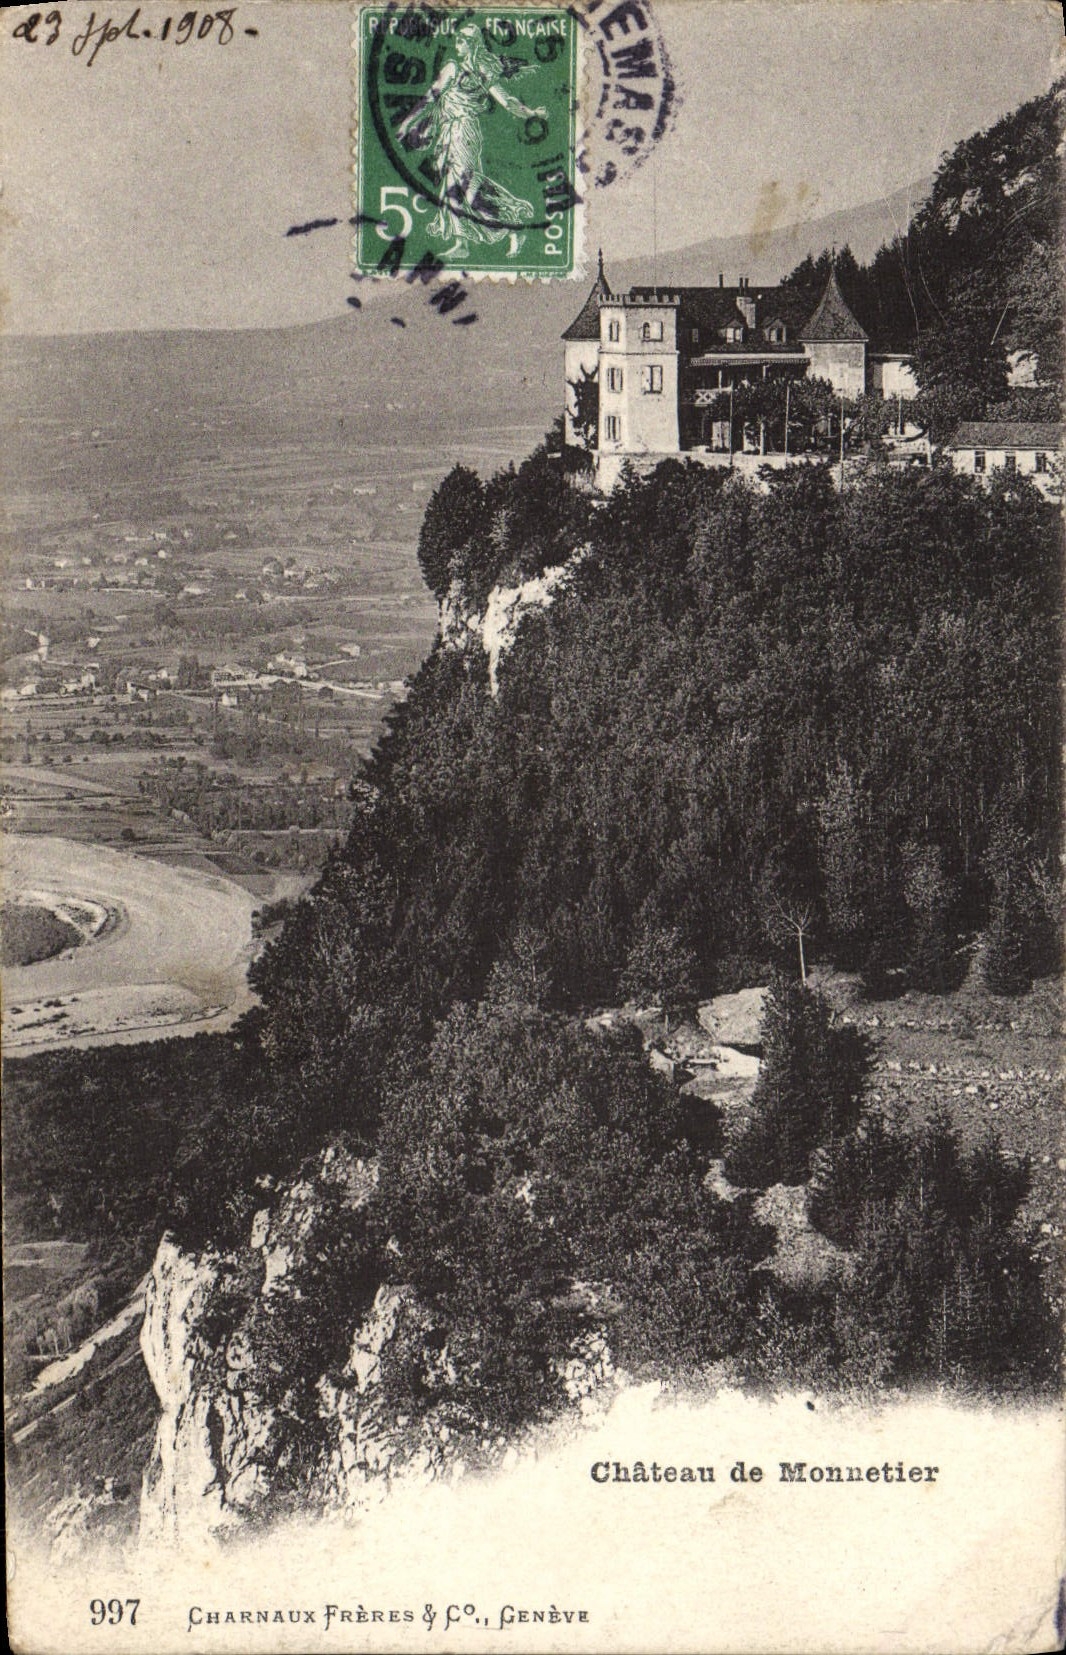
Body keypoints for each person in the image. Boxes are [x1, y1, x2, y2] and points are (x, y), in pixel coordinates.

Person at [395, 23, 547, 259]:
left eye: (463, 40)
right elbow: (431, 97)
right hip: (450, 132)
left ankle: (512, 229)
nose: (457, 45)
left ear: (473, 44)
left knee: (467, 191)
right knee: (452, 190)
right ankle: (462, 244)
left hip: (463, 131)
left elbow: (507, 102)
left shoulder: (470, 71)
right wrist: (408, 123)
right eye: (457, 40)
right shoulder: (460, 69)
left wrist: (531, 113)